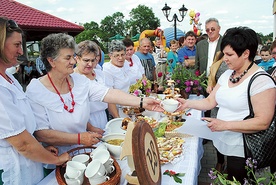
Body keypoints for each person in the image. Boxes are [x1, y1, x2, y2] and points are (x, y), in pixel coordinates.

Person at [26, 33, 162, 169]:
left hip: (88, 148)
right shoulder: (36, 89)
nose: (73, 62)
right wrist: (79, 138)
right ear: (51, 61)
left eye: (73, 56)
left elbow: (108, 93)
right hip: (59, 158)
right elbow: (41, 134)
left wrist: (142, 102)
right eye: (68, 58)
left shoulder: (80, 81)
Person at [177, 27, 276, 181]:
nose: (224, 59)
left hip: (243, 149)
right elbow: (210, 101)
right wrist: (186, 103)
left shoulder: (261, 81)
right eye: (224, 54)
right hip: (224, 142)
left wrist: (224, 125)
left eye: (229, 55)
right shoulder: (228, 74)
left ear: (246, 54)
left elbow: (263, 122)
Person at [0, 17, 70, 185]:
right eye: (16, 45)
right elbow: (22, 143)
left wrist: (40, 148)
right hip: (14, 168)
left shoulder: (9, 77)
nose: (21, 51)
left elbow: (23, 125)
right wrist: (58, 160)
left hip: (28, 160)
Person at [74, 40, 108, 130]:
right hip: (84, 122)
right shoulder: (72, 78)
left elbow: (109, 95)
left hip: (102, 117)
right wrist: (91, 127)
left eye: (93, 60)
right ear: (77, 58)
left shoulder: (100, 74)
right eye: (86, 60)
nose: (90, 64)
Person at [206, 51, 228, 172]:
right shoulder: (218, 63)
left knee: (228, 133)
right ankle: (220, 161)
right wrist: (210, 86)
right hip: (216, 105)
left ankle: (229, 162)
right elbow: (212, 79)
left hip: (227, 105)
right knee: (216, 134)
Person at [103, 40, 131, 119]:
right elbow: (109, 98)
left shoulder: (125, 64)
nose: (120, 58)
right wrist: (117, 118)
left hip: (128, 106)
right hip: (117, 109)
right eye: (117, 55)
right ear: (110, 56)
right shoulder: (107, 70)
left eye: (122, 54)